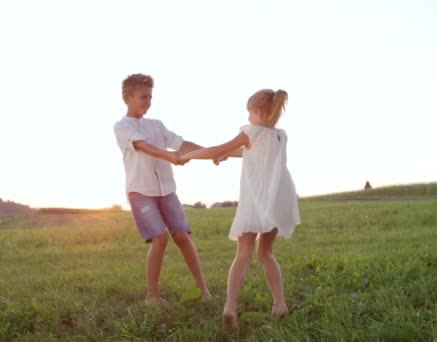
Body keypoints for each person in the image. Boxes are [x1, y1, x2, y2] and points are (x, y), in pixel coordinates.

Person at [181, 88, 300, 329]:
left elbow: (217, 149)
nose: (247, 118)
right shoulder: (280, 135)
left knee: (243, 252)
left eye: (249, 113)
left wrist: (188, 155)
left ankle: (230, 307)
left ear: (258, 112)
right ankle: (280, 304)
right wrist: (227, 156)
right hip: (278, 198)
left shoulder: (250, 131)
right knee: (265, 253)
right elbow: (252, 153)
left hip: (257, 200)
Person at [113, 73, 212, 305]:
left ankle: (203, 290)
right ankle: (152, 296)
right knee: (159, 238)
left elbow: (181, 144)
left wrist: (211, 152)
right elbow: (142, 146)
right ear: (127, 98)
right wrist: (168, 155)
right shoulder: (122, 126)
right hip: (140, 192)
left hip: (166, 190)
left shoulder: (156, 125)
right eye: (143, 97)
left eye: (150, 97)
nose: (148, 102)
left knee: (181, 236)